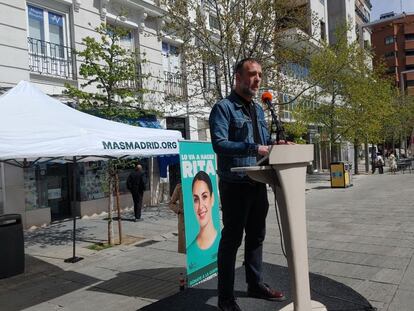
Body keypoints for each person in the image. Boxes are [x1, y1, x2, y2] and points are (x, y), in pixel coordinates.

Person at [209, 58, 286, 311]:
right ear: (238, 77)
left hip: (258, 182)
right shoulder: (224, 108)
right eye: (252, 74)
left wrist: (278, 148)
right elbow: (219, 144)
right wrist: (254, 147)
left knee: (257, 236)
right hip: (235, 184)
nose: (257, 79)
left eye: (260, 75)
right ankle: (225, 298)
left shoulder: (260, 109)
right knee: (232, 240)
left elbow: (265, 144)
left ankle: (255, 284)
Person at [186, 171, 220, 273]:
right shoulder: (190, 251)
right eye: (196, 199)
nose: (200, 206)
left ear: (212, 199)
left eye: (204, 196)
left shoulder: (223, 243)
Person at [169, 182, 186, 254]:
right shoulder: (180, 187)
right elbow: (171, 203)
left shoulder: (201, 183)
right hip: (184, 221)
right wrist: (179, 210)